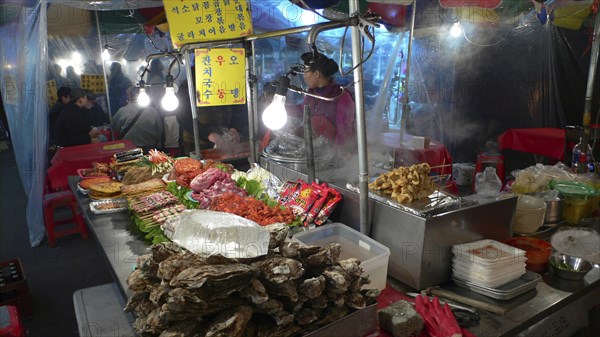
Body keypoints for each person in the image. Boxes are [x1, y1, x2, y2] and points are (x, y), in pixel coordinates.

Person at [298, 51, 356, 152]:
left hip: (338, 155)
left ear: (316, 74)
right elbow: (301, 110)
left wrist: (333, 156)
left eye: (306, 72)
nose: (304, 76)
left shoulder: (341, 96)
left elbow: (344, 133)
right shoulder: (311, 94)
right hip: (317, 152)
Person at [111, 86, 163, 152]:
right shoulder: (153, 111)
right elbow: (159, 131)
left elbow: (115, 128)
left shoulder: (122, 111)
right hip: (149, 150)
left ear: (129, 97)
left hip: (129, 150)